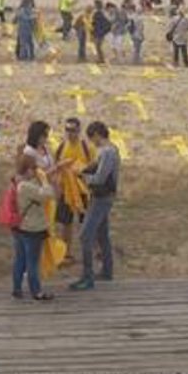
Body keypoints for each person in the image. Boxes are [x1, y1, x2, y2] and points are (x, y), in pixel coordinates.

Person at [69, 121, 119, 291]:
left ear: (98, 134)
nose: (92, 141)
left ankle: (87, 277)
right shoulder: (109, 150)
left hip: (101, 198)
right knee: (102, 234)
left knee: (85, 236)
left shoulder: (107, 152)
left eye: (92, 138)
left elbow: (100, 178)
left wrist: (83, 177)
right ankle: (107, 270)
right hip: (104, 197)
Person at [12, 154, 57, 301]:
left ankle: (17, 288)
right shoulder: (26, 186)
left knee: (20, 259)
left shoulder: (18, 182)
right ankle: (36, 291)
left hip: (20, 227)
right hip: (32, 228)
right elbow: (47, 195)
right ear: (29, 169)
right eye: (34, 168)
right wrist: (45, 181)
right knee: (32, 262)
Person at [54, 117, 95, 264]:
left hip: (83, 192)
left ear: (79, 131)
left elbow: (93, 168)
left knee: (86, 223)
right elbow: (57, 169)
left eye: (73, 130)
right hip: (66, 192)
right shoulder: (61, 148)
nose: (70, 133)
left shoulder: (87, 147)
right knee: (66, 224)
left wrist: (80, 172)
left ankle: (90, 252)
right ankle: (67, 254)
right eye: (67, 130)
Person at [91, 0, 110, 64]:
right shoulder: (101, 13)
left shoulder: (98, 14)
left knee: (98, 46)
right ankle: (101, 59)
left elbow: (94, 23)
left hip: (98, 33)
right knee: (98, 47)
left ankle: (101, 59)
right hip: (100, 32)